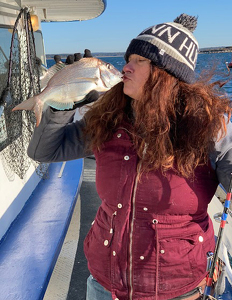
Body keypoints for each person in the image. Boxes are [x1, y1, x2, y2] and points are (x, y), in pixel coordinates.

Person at [26, 14, 232, 300]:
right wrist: (63, 105)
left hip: (178, 291)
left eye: (139, 60)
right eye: (128, 58)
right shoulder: (107, 120)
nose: (126, 67)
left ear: (166, 74)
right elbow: (42, 152)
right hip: (104, 286)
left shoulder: (207, 127)